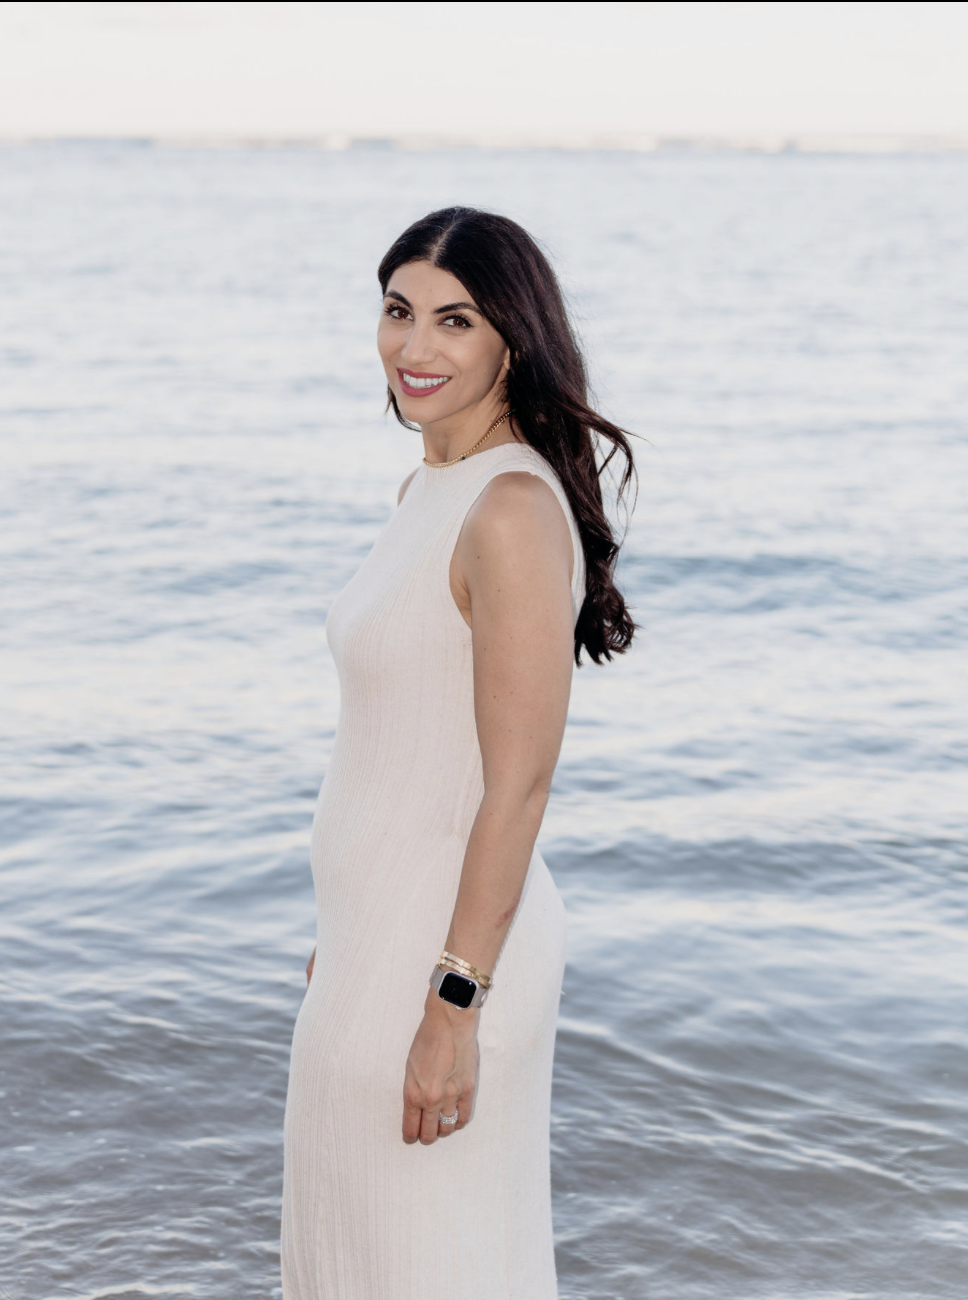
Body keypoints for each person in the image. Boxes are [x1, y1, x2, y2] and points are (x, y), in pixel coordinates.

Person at [281, 207, 636, 1299]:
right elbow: (401, 744)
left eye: (454, 319)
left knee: (432, 1262)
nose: (415, 347)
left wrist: (451, 1005)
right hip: (375, 940)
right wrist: (342, 935)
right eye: (397, 311)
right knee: (355, 1258)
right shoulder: (427, 492)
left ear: (511, 341)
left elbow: (517, 784)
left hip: (450, 957)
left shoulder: (514, 509)